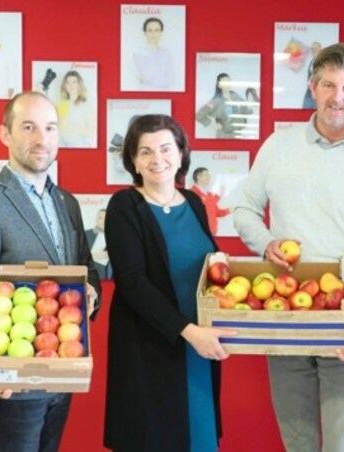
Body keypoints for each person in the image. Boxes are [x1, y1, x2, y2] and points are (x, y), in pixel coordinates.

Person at [234, 43, 344, 451]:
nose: (337, 97)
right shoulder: (279, 145)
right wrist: (265, 242)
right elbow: (244, 209)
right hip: (285, 312)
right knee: (297, 442)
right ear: (312, 87)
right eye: (328, 85)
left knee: (343, 444)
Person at [0, 91, 101, 452]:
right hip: (13, 384)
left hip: (59, 372)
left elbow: (83, 269)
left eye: (50, 128)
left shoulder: (66, 202)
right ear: (5, 135)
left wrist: (91, 292)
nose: (41, 139)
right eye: (29, 127)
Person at [103, 114, 234, 451]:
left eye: (165, 148)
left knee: (199, 436)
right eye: (145, 151)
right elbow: (132, 283)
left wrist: (221, 267)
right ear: (133, 160)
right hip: (151, 346)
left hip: (200, 348)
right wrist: (189, 333)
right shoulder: (124, 206)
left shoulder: (193, 202)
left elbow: (206, 264)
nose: (156, 159)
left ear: (180, 153)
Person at [196, 73, 253, 139]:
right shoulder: (216, 101)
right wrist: (213, 124)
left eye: (228, 81)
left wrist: (250, 102)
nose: (227, 84)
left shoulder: (237, 97)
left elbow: (247, 111)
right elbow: (199, 115)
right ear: (219, 85)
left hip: (238, 135)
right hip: (224, 136)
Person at [133, 17, 176, 90]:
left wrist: (147, 81)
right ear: (144, 33)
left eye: (157, 30)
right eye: (150, 30)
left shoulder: (166, 54)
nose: (153, 34)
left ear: (161, 32)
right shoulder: (137, 54)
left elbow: (171, 79)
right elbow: (137, 77)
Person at [56, 70, 95, 148]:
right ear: (65, 85)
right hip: (62, 145)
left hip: (80, 146)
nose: (71, 86)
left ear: (79, 85)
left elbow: (91, 133)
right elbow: (59, 128)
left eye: (74, 82)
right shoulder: (61, 104)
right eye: (68, 82)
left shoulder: (86, 105)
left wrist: (70, 125)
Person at [190, 167, 230, 235]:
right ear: (199, 177)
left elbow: (217, 213)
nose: (209, 177)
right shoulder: (191, 194)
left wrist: (231, 209)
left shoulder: (209, 195)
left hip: (212, 233)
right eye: (206, 175)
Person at [85, 208, 111, 279]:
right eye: (100, 218)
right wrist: (94, 256)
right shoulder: (86, 234)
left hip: (109, 274)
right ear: (96, 219)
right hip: (90, 272)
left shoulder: (115, 236)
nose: (103, 221)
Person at [302, 41, 322, 109]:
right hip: (309, 91)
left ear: (320, 51)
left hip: (318, 92)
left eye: (316, 50)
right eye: (312, 50)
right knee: (305, 110)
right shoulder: (311, 62)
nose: (314, 52)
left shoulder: (323, 64)